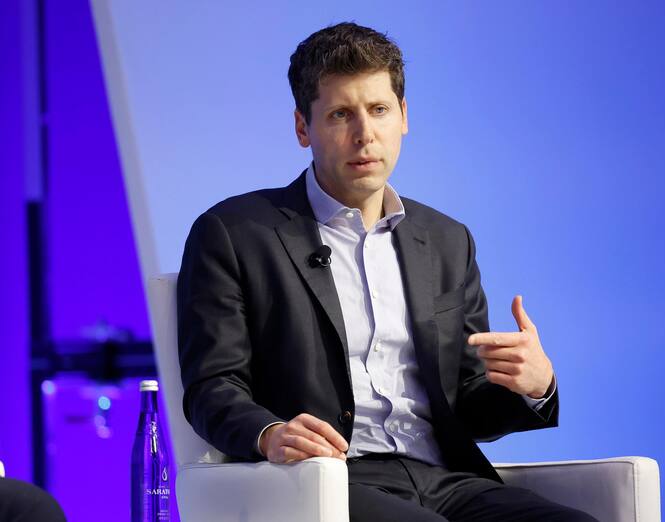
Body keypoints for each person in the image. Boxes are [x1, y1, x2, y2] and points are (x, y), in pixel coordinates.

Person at [178, 22, 597, 522]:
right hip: (327, 482)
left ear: (403, 116)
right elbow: (213, 386)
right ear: (302, 128)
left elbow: (467, 404)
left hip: (446, 479)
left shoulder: (446, 240)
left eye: (379, 110)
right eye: (340, 115)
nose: (364, 134)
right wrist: (269, 434)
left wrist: (530, 387)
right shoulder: (235, 232)